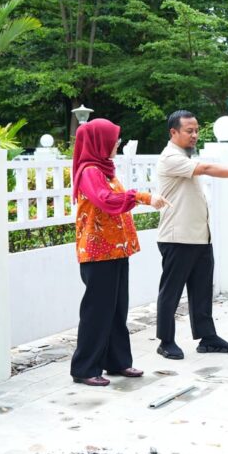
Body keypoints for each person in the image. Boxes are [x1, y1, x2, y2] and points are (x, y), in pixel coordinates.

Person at [154, 110, 228, 360]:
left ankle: (207, 338)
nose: (194, 135)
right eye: (189, 131)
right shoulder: (170, 157)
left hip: (200, 237)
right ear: (173, 132)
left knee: (202, 290)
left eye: (196, 130)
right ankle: (165, 341)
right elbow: (206, 168)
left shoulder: (184, 156)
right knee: (171, 291)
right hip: (177, 237)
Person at [70, 119, 170, 386]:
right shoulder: (90, 171)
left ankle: (117, 361)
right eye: (114, 139)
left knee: (116, 309)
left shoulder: (105, 170)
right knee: (97, 311)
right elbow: (106, 200)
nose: (117, 143)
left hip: (115, 250)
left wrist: (138, 198)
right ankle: (84, 368)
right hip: (98, 252)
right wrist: (142, 197)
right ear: (100, 142)